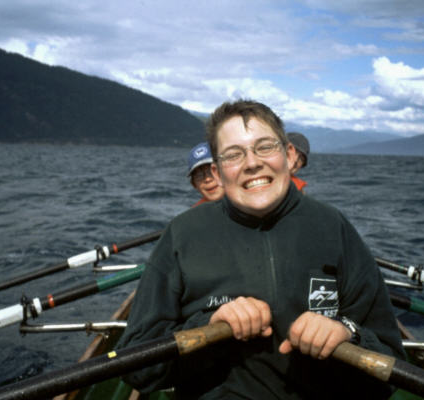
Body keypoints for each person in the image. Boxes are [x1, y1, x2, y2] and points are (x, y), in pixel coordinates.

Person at [117, 100, 404, 399]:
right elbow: (137, 369)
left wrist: (347, 333)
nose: (252, 162)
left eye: (264, 146)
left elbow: (389, 367)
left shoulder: (334, 227)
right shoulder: (182, 234)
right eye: (233, 154)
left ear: (289, 154)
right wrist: (208, 325)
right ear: (216, 171)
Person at [187, 142, 224, 207]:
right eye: (199, 176)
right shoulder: (196, 214)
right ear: (194, 184)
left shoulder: (245, 202)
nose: (207, 179)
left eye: (212, 171)